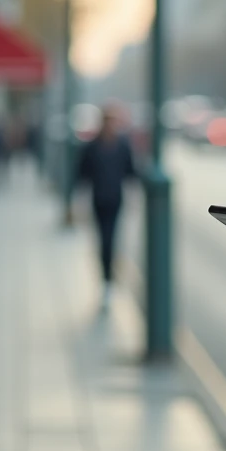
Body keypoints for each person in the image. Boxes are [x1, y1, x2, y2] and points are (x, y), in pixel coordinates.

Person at [77, 105, 136, 306]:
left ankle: (109, 278)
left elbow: (130, 172)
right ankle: (106, 278)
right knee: (103, 240)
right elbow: (82, 174)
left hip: (115, 200)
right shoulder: (92, 147)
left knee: (111, 239)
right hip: (98, 200)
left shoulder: (122, 146)